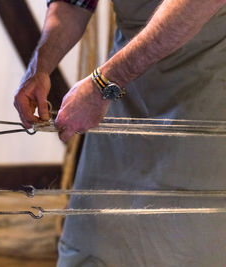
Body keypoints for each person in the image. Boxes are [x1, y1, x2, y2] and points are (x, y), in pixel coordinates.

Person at [14, 0, 226, 266]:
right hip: (123, 89)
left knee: (188, 245)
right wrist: (39, 67)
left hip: (208, 88)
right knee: (91, 245)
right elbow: (74, 3)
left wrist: (101, 86)